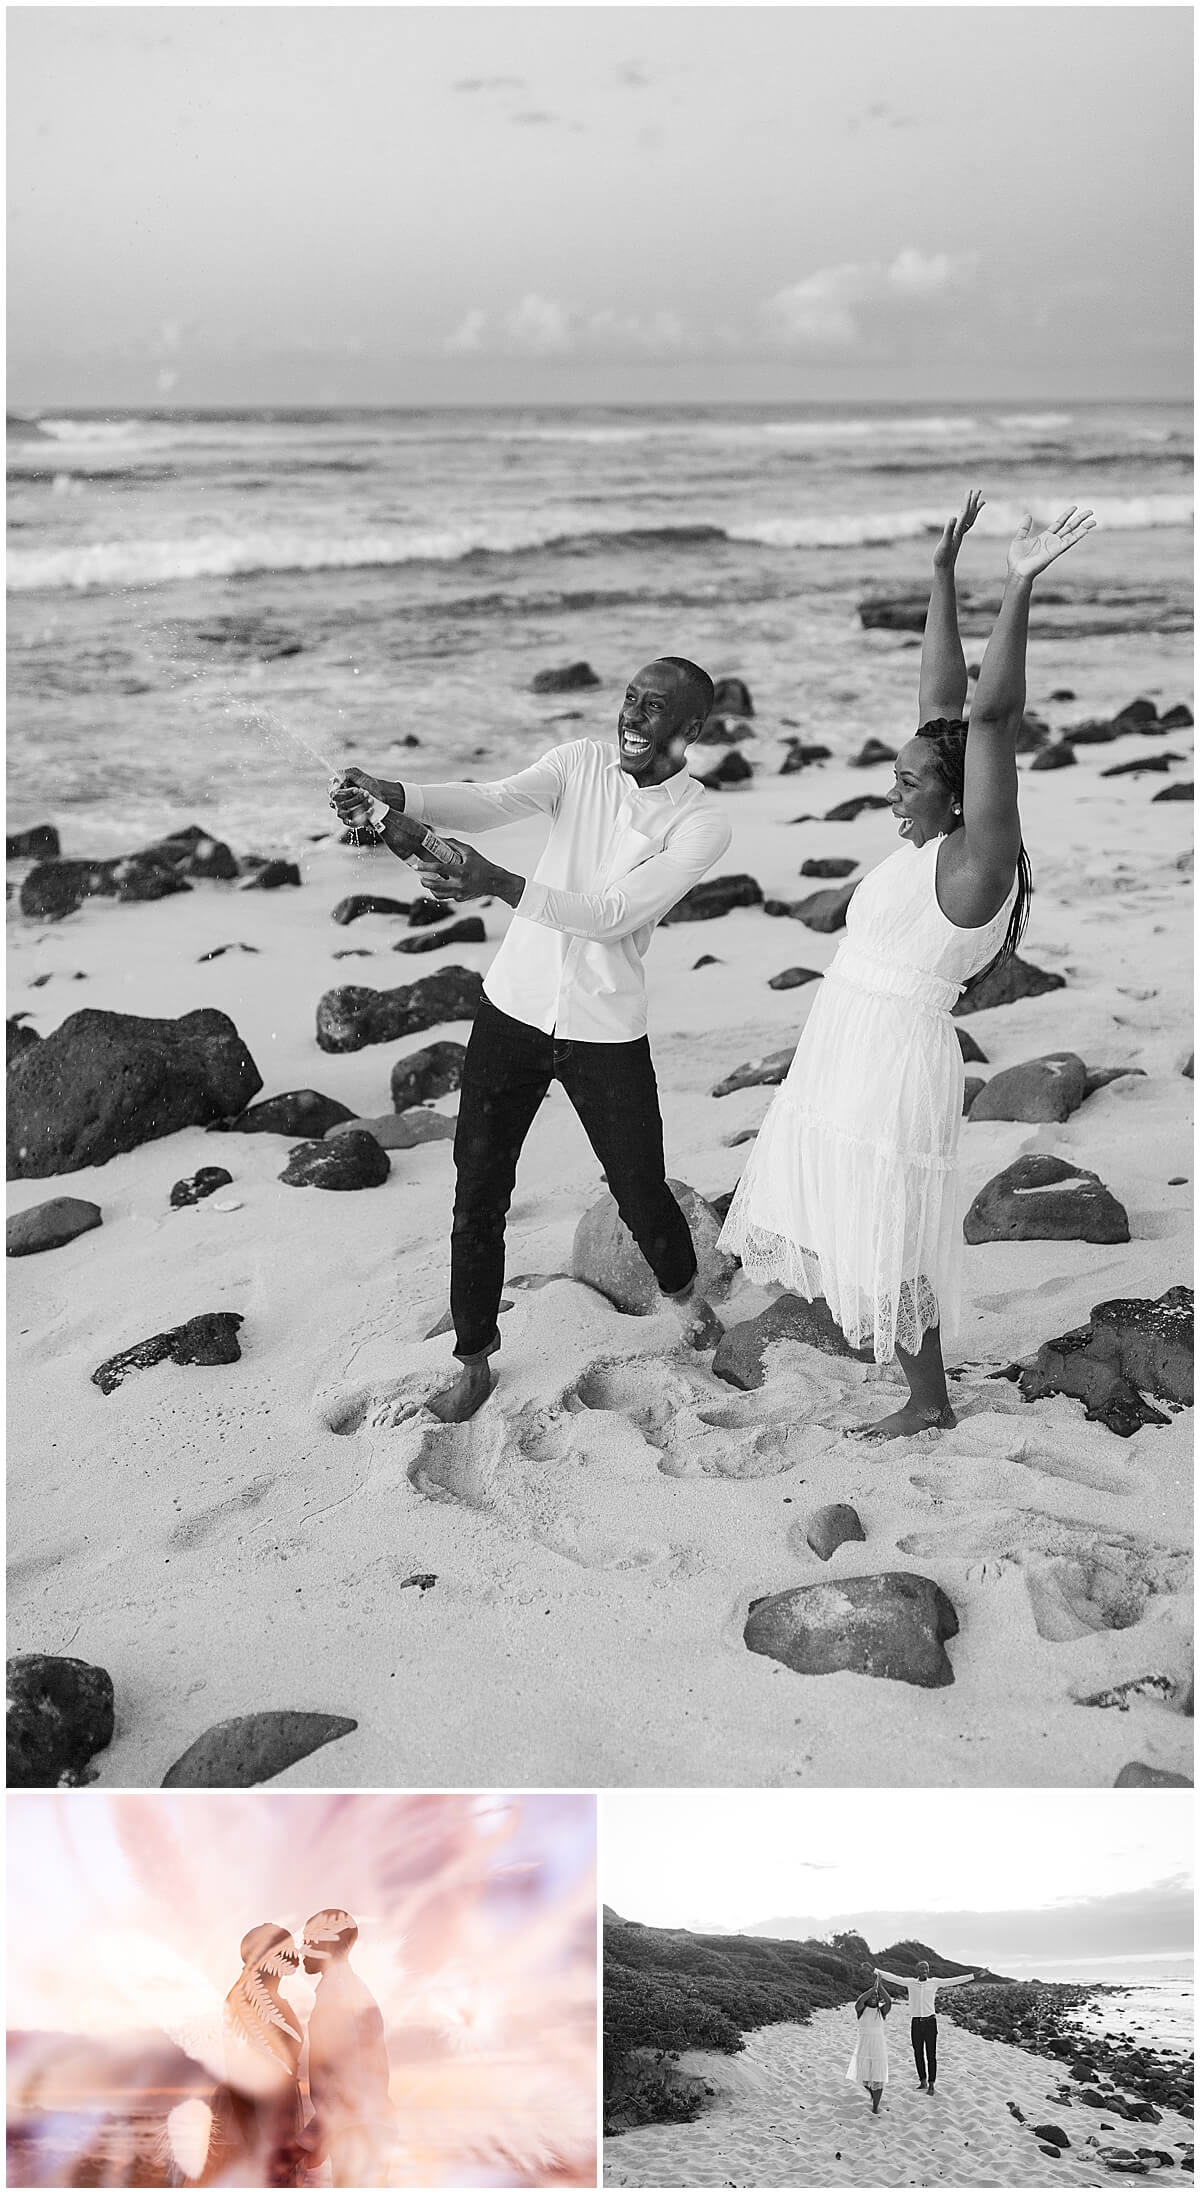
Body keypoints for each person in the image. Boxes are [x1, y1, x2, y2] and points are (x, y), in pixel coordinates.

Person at [718, 495, 1096, 1437]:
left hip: (893, 1053)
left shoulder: (977, 865)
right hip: (849, 1037)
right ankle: (909, 1381)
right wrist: (939, 574)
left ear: (958, 795)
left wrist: (1016, 584)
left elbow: (991, 718)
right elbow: (945, 707)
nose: (892, 795)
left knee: (890, 1229)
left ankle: (928, 1403)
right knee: (856, 1214)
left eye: (906, 784)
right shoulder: (941, 838)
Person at [334, 657, 733, 1422]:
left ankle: (686, 1299)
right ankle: (475, 1358)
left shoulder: (700, 822)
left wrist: (497, 883)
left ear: (692, 729)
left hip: (604, 1025)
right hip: (510, 1010)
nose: (632, 717)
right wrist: (391, 795)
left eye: (654, 709)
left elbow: (614, 911)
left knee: (639, 1185)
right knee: (478, 1191)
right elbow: (490, 802)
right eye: (629, 699)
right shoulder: (578, 762)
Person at [301, 1909, 396, 2188]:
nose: (302, 1949)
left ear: (327, 1945)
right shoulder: (350, 1989)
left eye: (309, 1941)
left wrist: (308, 2142)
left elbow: (346, 2079)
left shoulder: (336, 1995)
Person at [214, 1923, 308, 2186]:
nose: (296, 1958)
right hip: (256, 2110)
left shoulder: (267, 1997)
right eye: (286, 1951)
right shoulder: (245, 1999)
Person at [872, 1959, 976, 2094]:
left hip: (930, 2022)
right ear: (917, 1970)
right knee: (918, 2053)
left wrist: (974, 1976)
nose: (924, 1971)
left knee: (931, 2054)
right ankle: (923, 2081)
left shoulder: (934, 1982)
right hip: (916, 2022)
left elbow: (953, 1980)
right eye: (921, 1968)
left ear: (928, 1970)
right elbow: (894, 1978)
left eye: (926, 1968)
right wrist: (875, 1971)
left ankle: (932, 2084)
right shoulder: (910, 1982)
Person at [846, 1977, 891, 2112]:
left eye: (876, 1996)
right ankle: (871, 2093)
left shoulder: (881, 2011)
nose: (873, 1997)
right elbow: (859, 2001)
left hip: (878, 2046)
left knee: (878, 2077)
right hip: (864, 2045)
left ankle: (875, 2106)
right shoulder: (861, 2010)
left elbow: (888, 2001)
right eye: (871, 1996)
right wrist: (873, 1989)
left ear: (879, 1999)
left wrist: (880, 1988)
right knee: (864, 2075)